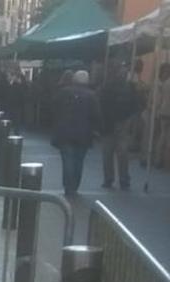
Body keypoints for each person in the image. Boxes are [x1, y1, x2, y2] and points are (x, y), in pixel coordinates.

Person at [52, 70, 101, 196]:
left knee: (67, 160)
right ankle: (74, 186)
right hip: (83, 134)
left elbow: (54, 107)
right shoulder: (92, 95)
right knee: (79, 160)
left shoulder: (63, 92)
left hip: (65, 131)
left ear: (74, 79)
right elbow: (96, 115)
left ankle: (68, 187)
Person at [99, 61, 143, 190]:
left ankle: (110, 179)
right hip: (120, 123)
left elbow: (101, 104)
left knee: (110, 154)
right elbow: (136, 104)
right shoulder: (128, 87)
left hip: (112, 124)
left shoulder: (107, 87)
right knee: (121, 154)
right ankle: (122, 179)